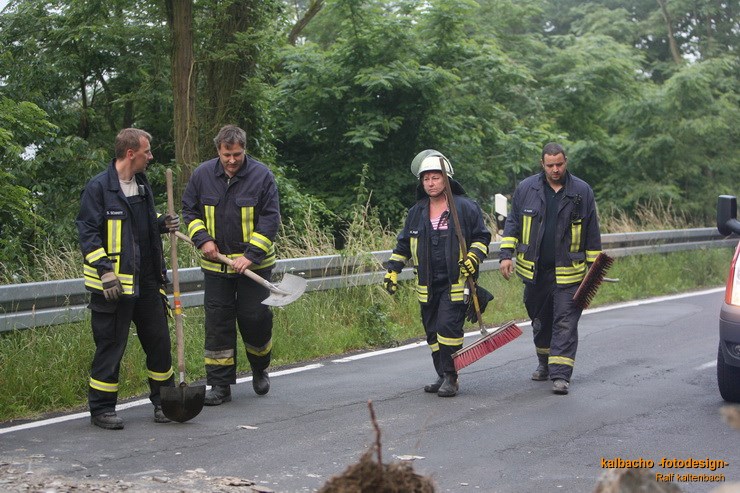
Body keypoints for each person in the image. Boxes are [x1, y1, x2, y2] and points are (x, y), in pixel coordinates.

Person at [76, 128, 178, 430]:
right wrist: (105, 270)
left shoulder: (142, 185)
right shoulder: (98, 188)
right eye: (147, 152)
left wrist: (161, 224)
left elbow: (138, 228)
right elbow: (88, 234)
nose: (151, 157)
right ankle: (102, 409)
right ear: (131, 153)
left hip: (147, 282)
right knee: (110, 347)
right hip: (114, 287)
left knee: (159, 345)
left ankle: (165, 402)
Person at [181, 124, 280, 406]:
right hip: (217, 268)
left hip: (254, 267)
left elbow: (270, 219)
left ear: (244, 149)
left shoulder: (262, 176)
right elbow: (190, 210)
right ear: (218, 151)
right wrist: (203, 240)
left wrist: (250, 256)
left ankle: (260, 368)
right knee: (218, 324)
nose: (232, 160)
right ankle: (220, 385)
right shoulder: (202, 175)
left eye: (237, 154)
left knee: (255, 318)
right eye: (227, 155)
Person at [384, 150, 491, 397]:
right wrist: (392, 270)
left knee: (447, 328)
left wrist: (473, 257)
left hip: (456, 282)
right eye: (426, 179)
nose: (431, 183)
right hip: (427, 284)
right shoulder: (416, 212)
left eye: (435, 177)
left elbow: (481, 238)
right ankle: (442, 373)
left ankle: (451, 377)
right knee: (432, 332)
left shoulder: (465, 208)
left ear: (447, 179)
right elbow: (403, 245)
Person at [499, 142, 602, 395]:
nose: (555, 170)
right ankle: (544, 362)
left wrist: (594, 269)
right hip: (535, 273)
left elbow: (591, 231)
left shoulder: (582, 191)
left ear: (566, 162)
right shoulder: (527, 189)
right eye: (550, 165)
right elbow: (512, 223)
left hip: (570, 272)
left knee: (565, 323)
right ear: (542, 164)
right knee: (540, 321)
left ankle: (561, 375)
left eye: (559, 164)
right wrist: (505, 255)